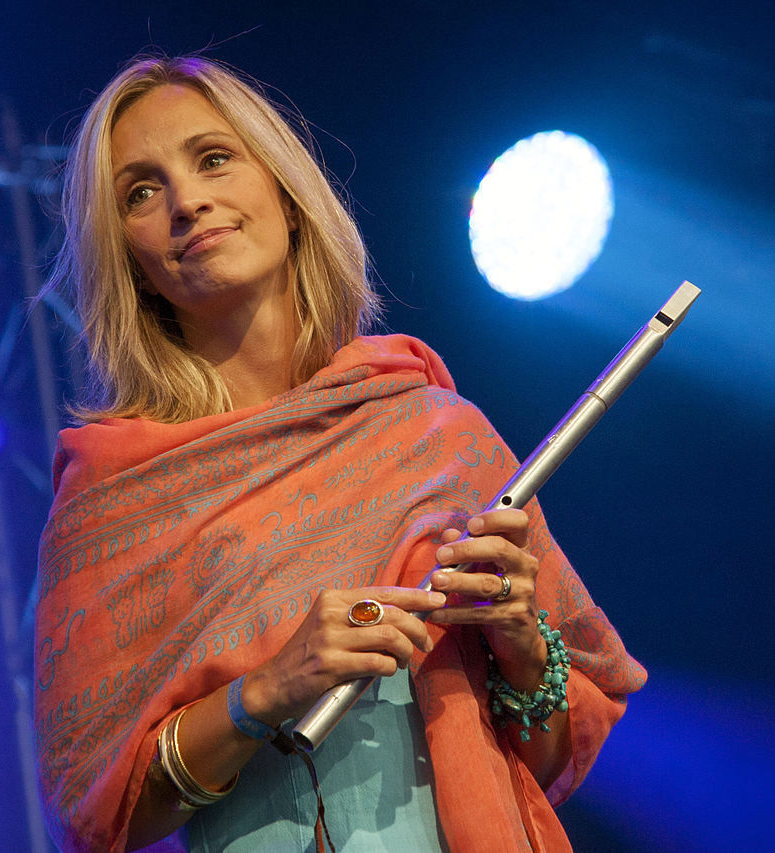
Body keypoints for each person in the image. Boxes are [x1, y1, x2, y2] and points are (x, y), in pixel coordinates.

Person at [34, 54, 647, 853]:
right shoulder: (115, 493)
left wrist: (519, 636)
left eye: (214, 159)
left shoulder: (434, 432)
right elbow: (95, 810)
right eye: (140, 193)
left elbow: (559, 756)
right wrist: (262, 692)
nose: (188, 202)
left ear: (287, 200)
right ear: (132, 262)